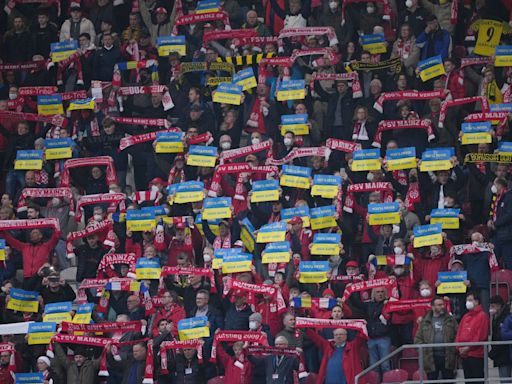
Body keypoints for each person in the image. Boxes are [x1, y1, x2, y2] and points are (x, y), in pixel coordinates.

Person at [414, 296, 458, 380]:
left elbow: (458, 335)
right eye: (439, 305)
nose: (442, 306)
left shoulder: (451, 319)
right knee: (432, 380)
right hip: (430, 358)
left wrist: (454, 349)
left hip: (448, 357)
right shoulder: (425, 321)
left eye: (443, 304)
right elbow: (418, 339)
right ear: (432, 307)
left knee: (449, 380)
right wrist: (424, 351)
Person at [456, 292, 490, 384]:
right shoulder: (465, 316)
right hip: (464, 355)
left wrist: (468, 348)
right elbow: (459, 333)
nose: (468, 302)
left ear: (477, 302)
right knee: (468, 381)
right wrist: (459, 348)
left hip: (476, 355)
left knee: (477, 380)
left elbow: (480, 336)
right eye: (467, 300)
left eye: (470, 300)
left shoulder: (482, 316)